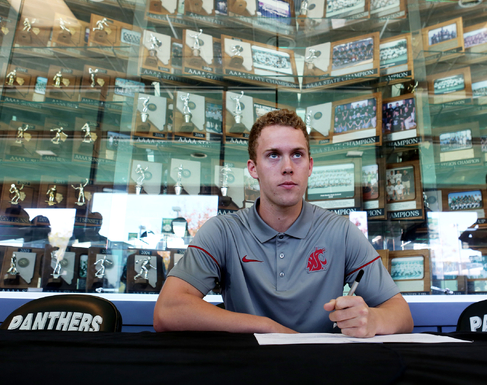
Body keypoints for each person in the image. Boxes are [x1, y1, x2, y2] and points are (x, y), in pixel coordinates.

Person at [154, 109, 413, 337]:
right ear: (253, 168)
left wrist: (372, 319)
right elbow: (167, 311)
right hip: (249, 368)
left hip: (321, 369)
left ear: (310, 166)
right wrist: (268, 327)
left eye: (297, 155)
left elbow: (402, 315)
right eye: (274, 155)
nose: (288, 167)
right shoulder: (222, 231)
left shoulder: (341, 231)